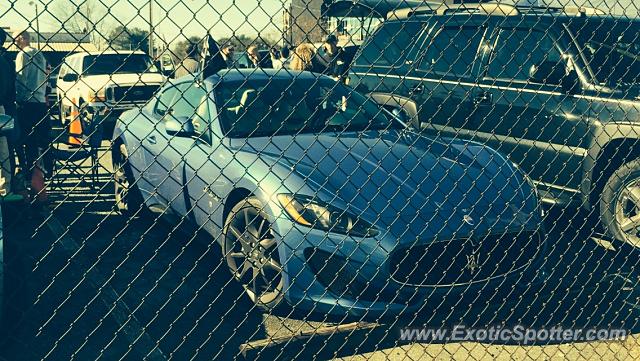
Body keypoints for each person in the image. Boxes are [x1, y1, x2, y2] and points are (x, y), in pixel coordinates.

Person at [14, 29, 49, 205]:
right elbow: (44, 77)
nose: (15, 42)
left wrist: (19, 99)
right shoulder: (40, 55)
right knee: (38, 146)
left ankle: (28, 183)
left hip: (27, 103)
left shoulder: (22, 55)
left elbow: (22, 79)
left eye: (17, 38)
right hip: (40, 103)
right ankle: (40, 183)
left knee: (26, 143)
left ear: (22, 39)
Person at [0, 28, 22, 202]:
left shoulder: (2, 62)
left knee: (4, 151)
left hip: (2, 108)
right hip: (6, 109)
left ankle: (5, 189)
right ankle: (6, 188)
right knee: (5, 152)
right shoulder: (6, 61)